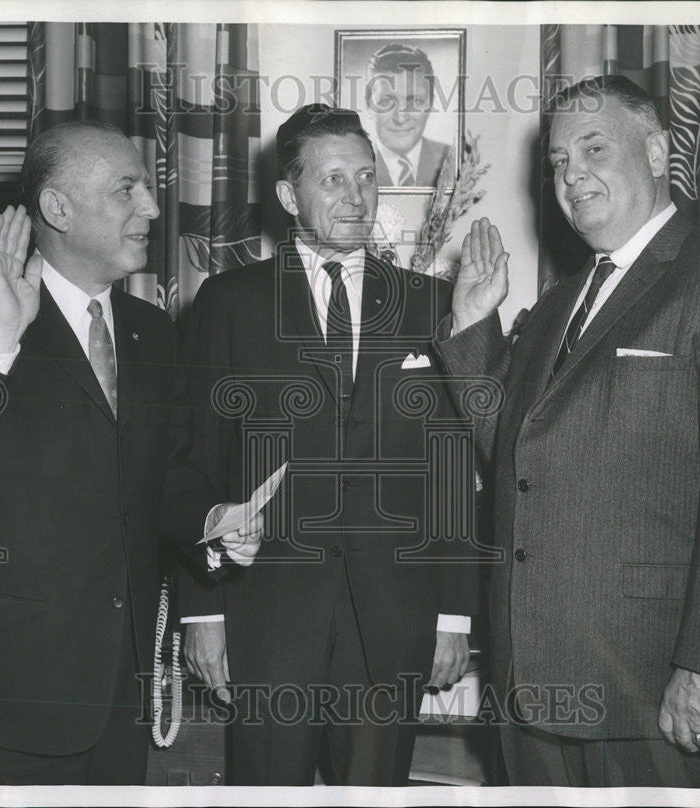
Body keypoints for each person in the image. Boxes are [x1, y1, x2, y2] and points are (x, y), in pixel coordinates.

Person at [435, 76, 700, 787]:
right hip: (536, 690)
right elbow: (523, 454)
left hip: (660, 694)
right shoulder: (556, 303)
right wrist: (473, 326)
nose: (570, 172)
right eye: (556, 161)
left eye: (593, 147)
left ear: (658, 149)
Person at [0, 120, 259, 785]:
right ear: (58, 208)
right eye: (127, 190)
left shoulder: (151, 331)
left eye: (146, 187)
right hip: (10, 695)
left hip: (121, 687)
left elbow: (164, 471)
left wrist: (214, 520)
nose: (150, 207)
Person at [179, 103, 479, 786]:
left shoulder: (432, 306)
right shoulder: (229, 304)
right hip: (268, 618)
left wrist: (454, 614)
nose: (356, 196)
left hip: (393, 620)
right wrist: (202, 610)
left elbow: (453, 470)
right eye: (333, 179)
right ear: (289, 195)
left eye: (366, 177)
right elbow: (194, 464)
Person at [364, 43, 453, 188]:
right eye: (386, 101)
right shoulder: (350, 162)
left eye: (415, 101)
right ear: (369, 105)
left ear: (430, 105)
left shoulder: (455, 160)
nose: (400, 118)